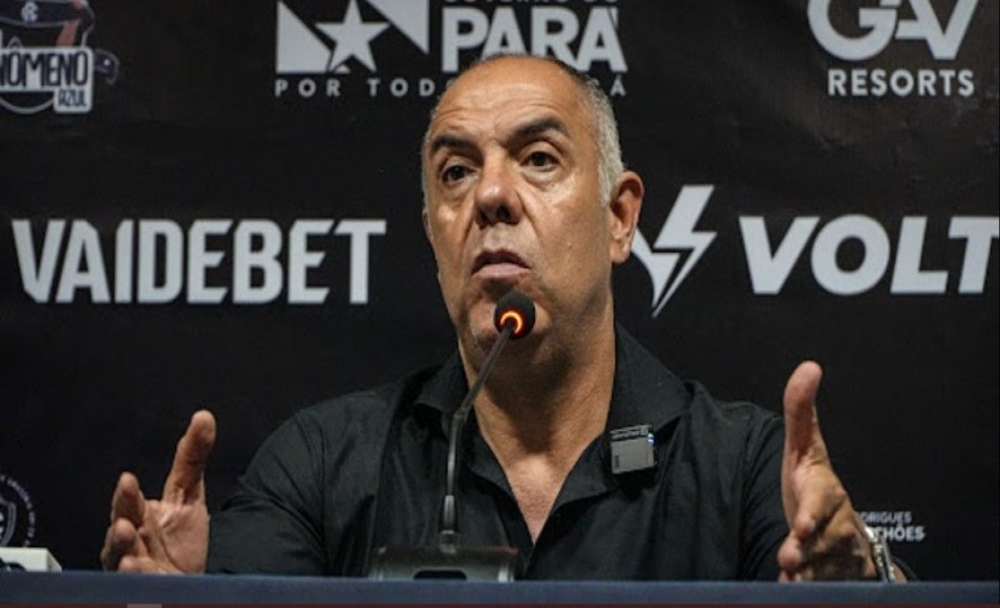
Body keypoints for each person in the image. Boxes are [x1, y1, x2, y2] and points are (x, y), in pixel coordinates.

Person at [101, 54, 903, 580]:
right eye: (456, 172)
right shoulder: (321, 467)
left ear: (619, 217)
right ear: (434, 236)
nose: (489, 195)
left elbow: (853, 585)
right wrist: (175, 604)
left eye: (539, 159)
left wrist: (862, 583)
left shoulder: (739, 466)